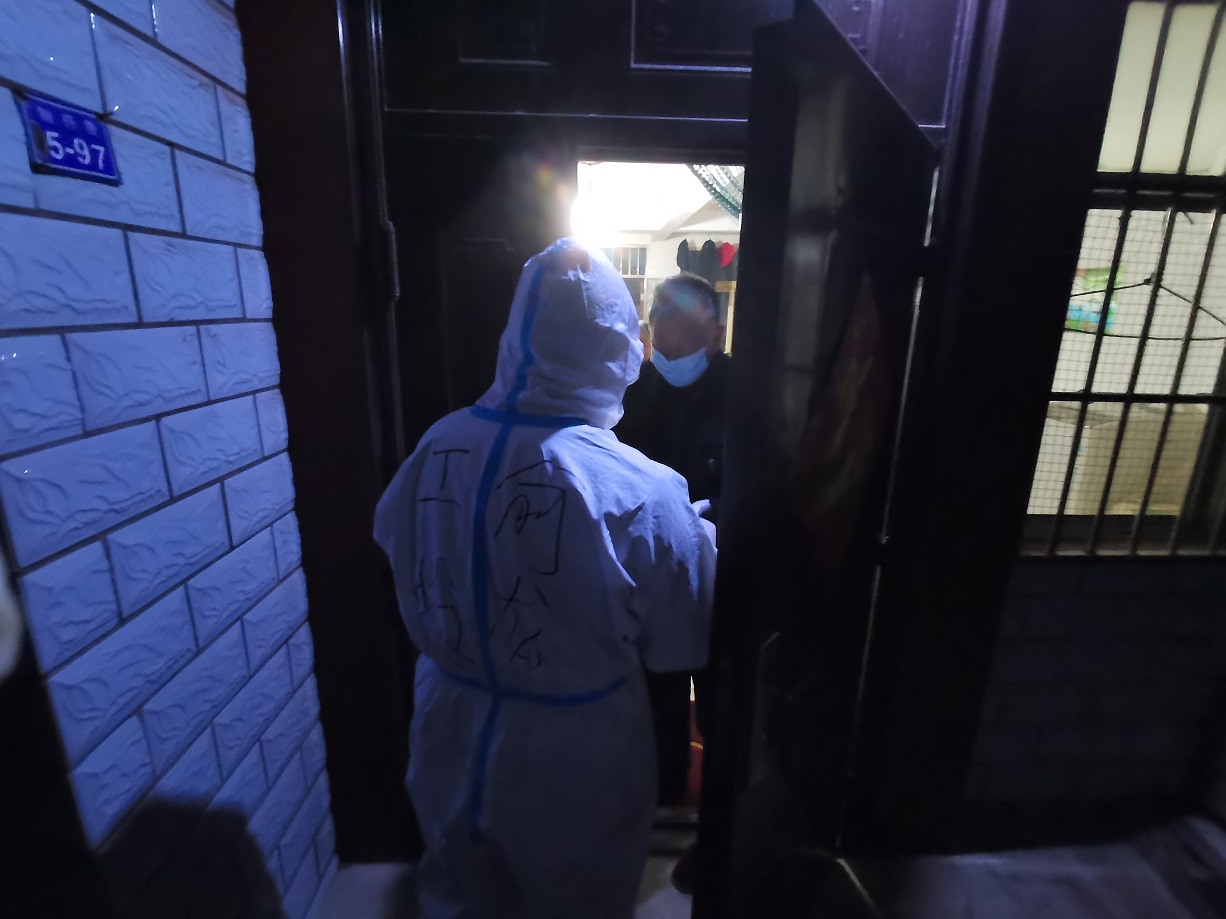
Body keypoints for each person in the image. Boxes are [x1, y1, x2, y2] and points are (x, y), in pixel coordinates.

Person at [374, 239, 717, 919]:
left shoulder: (438, 442)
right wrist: (694, 541)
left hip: (449, 721)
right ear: (620, 348)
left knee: (456, 892)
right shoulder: (642, 488)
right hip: (572, 750)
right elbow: (680, 643)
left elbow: (393, 539)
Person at [618, 273, 730, 808]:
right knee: (657, 699)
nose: (666, 333)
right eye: (659, 319)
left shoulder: (743, 391)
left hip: (724, 573)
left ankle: (721, 816)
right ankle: (664, 801)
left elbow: (764, 475)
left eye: (683, 321)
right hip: (651, 572)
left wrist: (711, 519)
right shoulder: (630, 393)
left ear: (716, 334)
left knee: (722, 701)